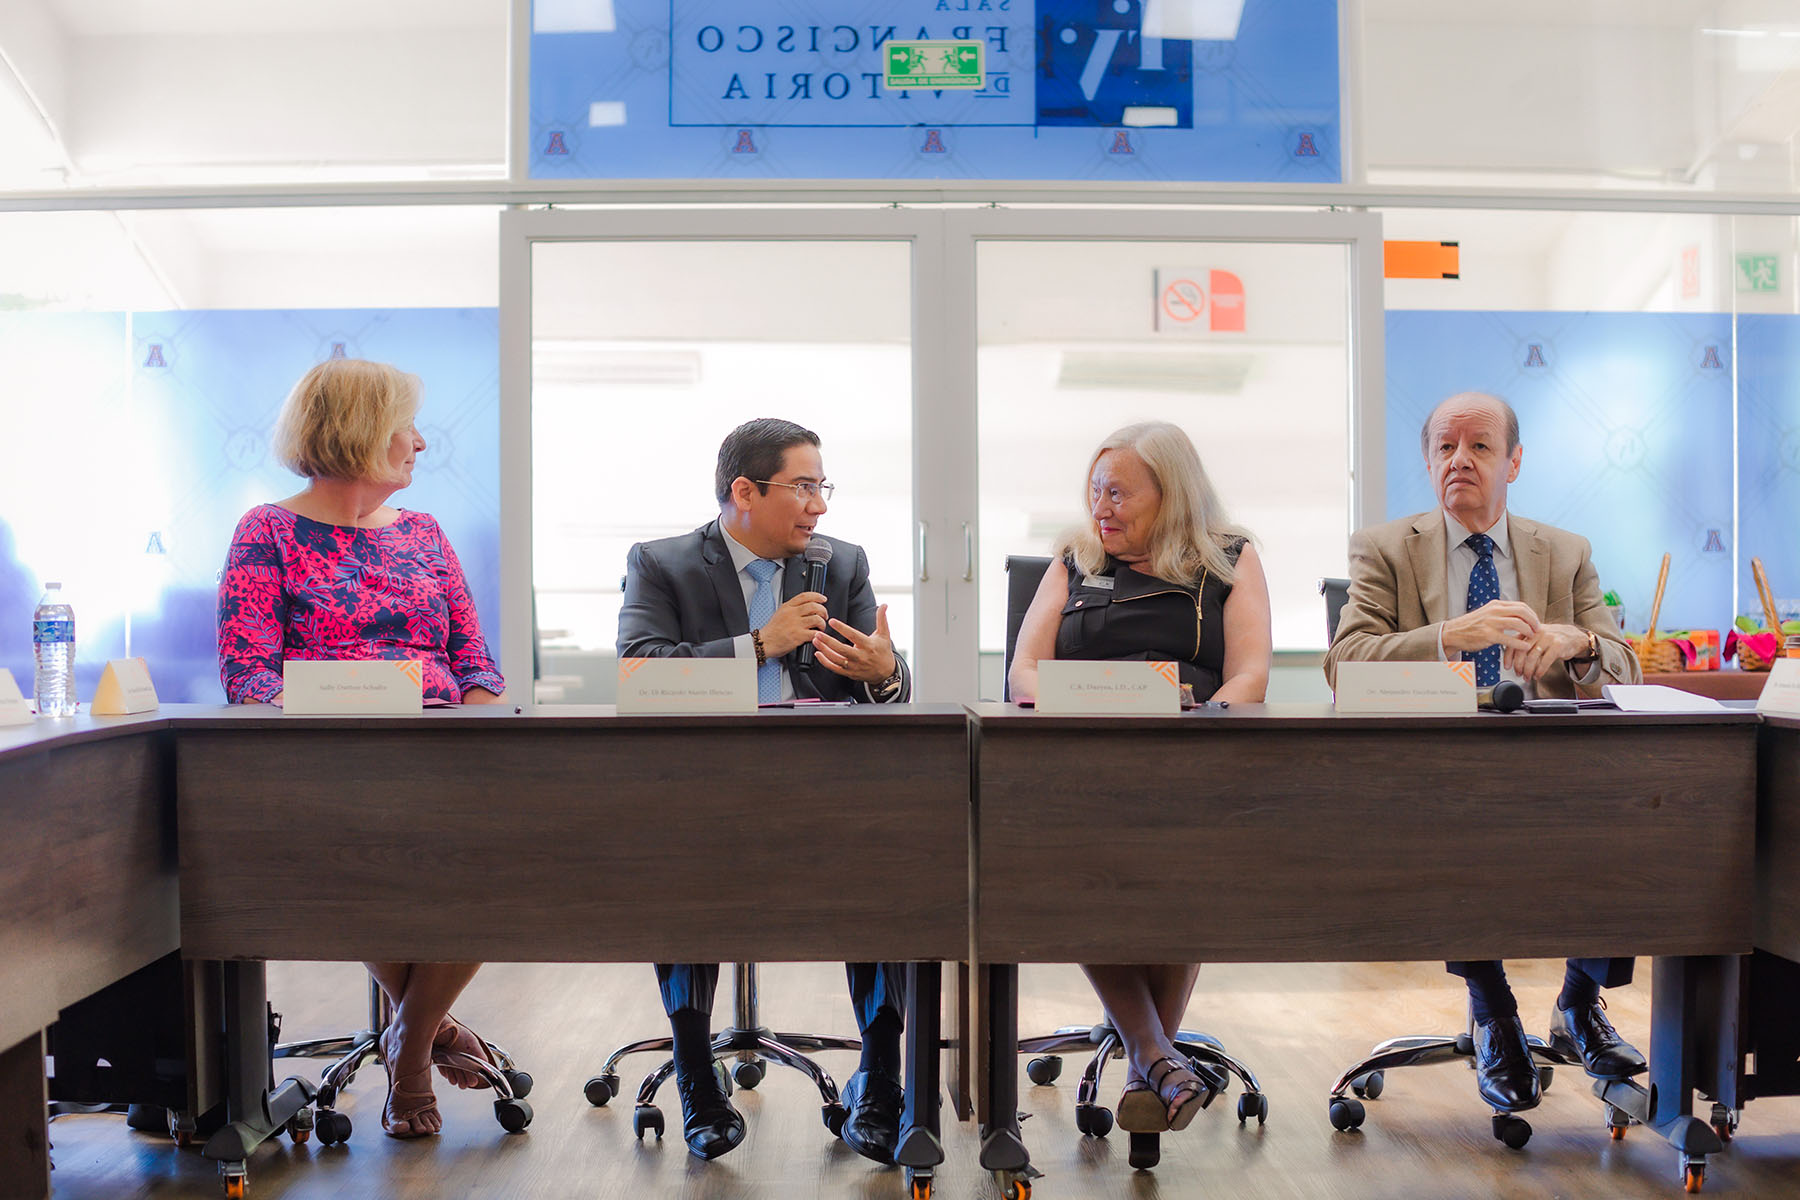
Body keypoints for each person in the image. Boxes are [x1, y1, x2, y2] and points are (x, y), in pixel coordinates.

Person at [1323, 390, 1645, 1115]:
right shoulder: (1384, 549)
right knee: (1461, 817)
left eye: (1479, 447)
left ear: (1515, 462)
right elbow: (1345, 662)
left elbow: (1628, 667)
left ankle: (1578, 1002)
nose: (1459, 460)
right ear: (1429, 460)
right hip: (1436, 770)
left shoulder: (1564, 553)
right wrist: (1449, 636)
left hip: (1554, 769)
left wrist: (1579, 642)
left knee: (1637, 812)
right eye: (1444, 447)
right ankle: (1493, 1008)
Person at [216, 358, 507, 1139]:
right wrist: (329, 748)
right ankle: (424, 1038)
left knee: (500, 859)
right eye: (402, 427)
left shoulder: (425, 532)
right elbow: (249, 676)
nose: (418, 442)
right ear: (355, 432)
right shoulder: (267, 531)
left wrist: (486, 739)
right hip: (328, 768)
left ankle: (408, 1035)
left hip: (445, 756)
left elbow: (475, 663)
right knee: (350, 862)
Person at [616, 417, 912, 1163]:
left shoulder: (839, 565)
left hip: (826, 787)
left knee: (891, 863)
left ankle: (879, 1080)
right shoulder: (663, 563)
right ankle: (695, 1074)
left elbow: (889, 694)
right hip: (707, 787)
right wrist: (759, 644)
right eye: (804, 487)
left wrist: (883, 673)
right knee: (681, 854)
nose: (819, 507)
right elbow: (638, 675)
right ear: (744, 492)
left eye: (823, 487)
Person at [1008, 420, 1272, 1134]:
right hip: (1082, 763)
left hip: (1191, 760)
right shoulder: (1075, 559)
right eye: (1095, 490)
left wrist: (1205, 724)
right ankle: (1153, 1056)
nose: (1103, 507)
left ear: (1173, 494)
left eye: (1119, 492)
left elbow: (1250, 673)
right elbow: (1023, 671)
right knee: (1087, 870)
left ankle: (1150, 1060)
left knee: (1184, 868)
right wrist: (1088, 702)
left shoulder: (1229, 560)